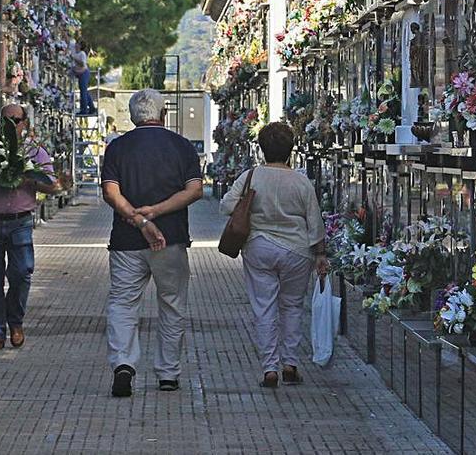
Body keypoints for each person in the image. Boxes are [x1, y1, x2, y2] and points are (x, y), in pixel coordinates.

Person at [100, 89, 204, 397]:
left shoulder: (117, 148)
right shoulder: (182, 147)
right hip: (170, 239)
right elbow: (195, 190)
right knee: (172, 304)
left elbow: (110, 193)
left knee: (122, 303)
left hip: (126, 240)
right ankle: (168, 373)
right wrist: (155, 214)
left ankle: (123, 364)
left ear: (133, 117)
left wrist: (139, 219)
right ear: (164, 115)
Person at [220, 122, 327, 388]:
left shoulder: (251, 177)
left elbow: (226, 206)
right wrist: (321, 255)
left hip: (259, 247)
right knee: (292, 306)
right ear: (290, 150)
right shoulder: (302, 181)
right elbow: (314, 222)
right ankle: (290, 363)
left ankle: (269, 368)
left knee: (264, 308)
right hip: (297, 251)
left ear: (262, 149)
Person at [0, 103, 61, 350]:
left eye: (17, 120)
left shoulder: (35, 152)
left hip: (19, 221)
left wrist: (28, 177)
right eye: (7, 120)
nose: (12, 125)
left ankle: (15, 321)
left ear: (25, 123)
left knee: (22, 272)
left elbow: (52, 185)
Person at [72, 41, 97, 115]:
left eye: (77, 44)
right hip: (80, 74)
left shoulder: (82, 54)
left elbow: (83, 64)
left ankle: (84, 109)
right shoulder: (77, 53)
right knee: (85, 91)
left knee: (83, 93)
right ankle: (92, 108)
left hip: (84, 73)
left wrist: (74, 58)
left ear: (80, 46)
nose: (76, 45)